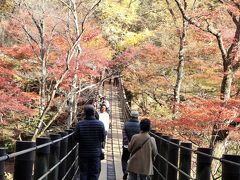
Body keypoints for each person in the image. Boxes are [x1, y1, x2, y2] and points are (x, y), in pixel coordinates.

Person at [74, 105, 105, 180]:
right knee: (94, 173)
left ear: (85, 113)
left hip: (83, 153)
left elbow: (76, 138)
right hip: (95, 153)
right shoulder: (100, 124)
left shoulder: (80, 124)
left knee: (83, 173)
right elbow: (102, 138)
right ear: (94, 113)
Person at [121, 111, 140, 180]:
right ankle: (133, 174)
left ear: (130, 116)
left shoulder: (126, 124)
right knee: (135, 160)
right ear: (137, 116)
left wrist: (127, 143)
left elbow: (124, 135)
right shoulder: (140, 125)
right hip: (137, 146)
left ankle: (125, 171)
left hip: (126, 145)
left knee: (124, 159)